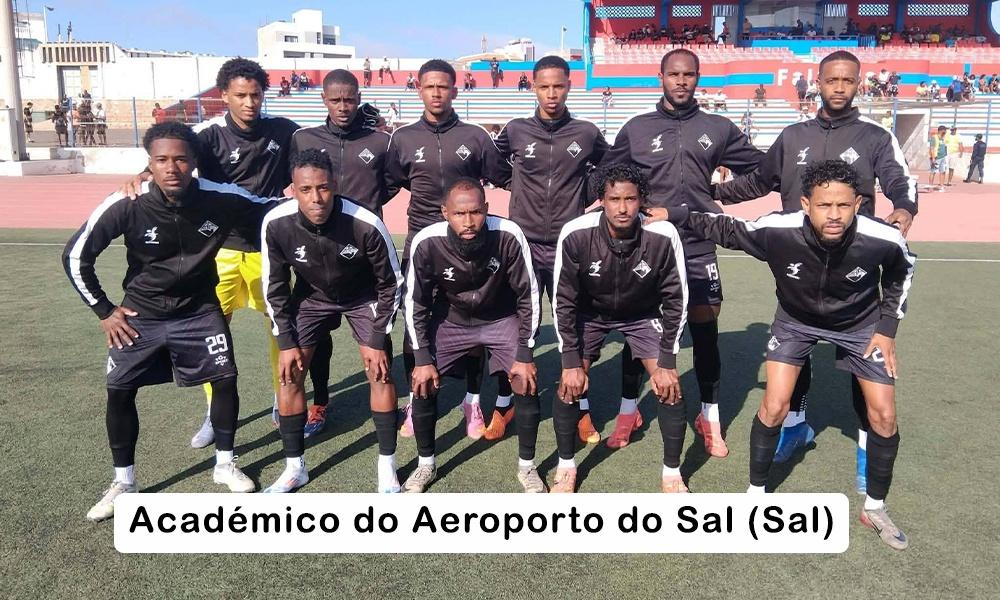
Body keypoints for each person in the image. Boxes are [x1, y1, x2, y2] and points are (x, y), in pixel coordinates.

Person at [664, 159, 915, 550]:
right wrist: (675, 214)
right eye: (824, 206)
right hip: (795, 322)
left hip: (861, 325)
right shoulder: (778, 230)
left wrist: (887, 329)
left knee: (884, 415)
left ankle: (875, 508)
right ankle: (756, 496)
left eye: (844, 206)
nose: (834, 215)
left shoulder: (882, 237)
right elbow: (725, 228)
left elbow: (904, 269)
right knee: (775, 405)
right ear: (805, 204)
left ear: (858, 204)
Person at [712, 51, 918, 486]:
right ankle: (796, 427)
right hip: (799, 260)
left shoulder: (875, 136)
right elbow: (759, 180)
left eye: (848, 80)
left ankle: (866, 450)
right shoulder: (793, 136)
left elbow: (899, 178)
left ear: (859, 83)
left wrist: (904, 207)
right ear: (817, 83)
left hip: (850, 263)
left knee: (860, 359)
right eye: (831, 80)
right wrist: (715, 193)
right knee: (796, 354)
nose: (839, 87)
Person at [62, 122, 280, 521]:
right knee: (120, 389)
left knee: (225, 378)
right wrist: (104, 310)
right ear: (150, 163)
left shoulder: (221, 197)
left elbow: (271, 207)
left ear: (195, 162)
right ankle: (124, 480)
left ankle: (225, 463)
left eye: (181, 159)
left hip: (199, 311)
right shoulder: (126, 202)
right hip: (139, 315)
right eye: (161, 160)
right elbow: (76, 256)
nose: (171, 168)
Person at [121, 58, 301, 448]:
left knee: (279, 331)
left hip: (269, 250)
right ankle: (212, 412)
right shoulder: (206, 135)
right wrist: (143, 173)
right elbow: (172, 155)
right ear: (224, 96)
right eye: (241, 95)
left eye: (256, 95)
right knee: (209, 335)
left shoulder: (284, 131)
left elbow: (312, 158)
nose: (250, 102)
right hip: (216, 251)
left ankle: (280, 401)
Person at [602, 48, 764, 454]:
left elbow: (763, 173)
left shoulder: (718, 127)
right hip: (647, 247)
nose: (681, 81)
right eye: (673, 74)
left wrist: (716, 196)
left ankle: (708, 416)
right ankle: (628, 411)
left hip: (697, 244)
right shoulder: (637, 129)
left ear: (698, 77)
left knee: (705, 332)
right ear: (661, 76)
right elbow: (606, 176)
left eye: (689, 74)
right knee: (639, 333)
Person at [261, 149, 403, 493]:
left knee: (379, 371)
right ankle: (295, 468)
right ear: (292, 190)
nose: (316, 198)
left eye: (323, 188)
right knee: (290, 374)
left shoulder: (365, 222)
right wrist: (285, 343)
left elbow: (392, 283)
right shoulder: (276, 223)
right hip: (311, 297)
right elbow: (274, 286)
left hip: (362, 297)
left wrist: (377, 337)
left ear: (335, 186)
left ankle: (387, 466)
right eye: (305, 190)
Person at [385, 59, 508, 439]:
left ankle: (472, 400)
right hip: (422, 240)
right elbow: (389, 183)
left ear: (455, 90)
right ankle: (415, 401)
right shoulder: (402, 138)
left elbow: (505, 177)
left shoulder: (475, 137)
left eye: (444, 87)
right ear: (418, 89)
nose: (437, 93)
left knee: (471, 317)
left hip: (471, 243)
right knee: (413, 323)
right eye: (429, 87)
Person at [493, 55, 609, 444]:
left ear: (569, 85)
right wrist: (520, 192)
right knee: (513, 323)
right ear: (534, 87)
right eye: (544, 86)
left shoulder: (587, 132)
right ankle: (505, 401)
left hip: (568, 245)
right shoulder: (515, 130)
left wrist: (582, 199)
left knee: (573, 324)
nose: (551, 93)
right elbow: (495, 167)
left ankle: (581, 408)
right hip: (522, 244)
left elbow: (608, 171)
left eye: (558, 85)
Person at [551, 163, 687, 493]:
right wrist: (570, 360)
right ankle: (566, 466)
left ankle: (672, 473)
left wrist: (667, 361)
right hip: (590, 314)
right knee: (569, 384)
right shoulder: (576, 233)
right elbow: (563, 300)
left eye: (631, 199)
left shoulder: (662, 234)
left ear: (642, 201)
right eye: (614, 199)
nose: (623, 208)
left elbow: (676, 298)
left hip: (641, 314)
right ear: (602, 199)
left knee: (668, 385)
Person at [403, 177, 542, 492]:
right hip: (451, 321)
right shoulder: (427, 241)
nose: (468, 222)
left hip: (499, 318)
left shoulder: (508, 234)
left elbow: (528, 296)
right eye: (459, 214)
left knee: (525, 380)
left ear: (487, 209)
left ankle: (527, 467)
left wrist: (525, 353)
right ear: (444, 212)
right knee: (422, 383)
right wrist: (422, 358)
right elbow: (415, 302)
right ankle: (426, 465)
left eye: (476, 213)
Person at [288, 69, 394, 436]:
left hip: (364, 254)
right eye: (335, 99)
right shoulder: (303, 138)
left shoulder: (380, 142)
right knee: (315, 336)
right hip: (314, 256)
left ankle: (386, 408)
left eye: (350, 99)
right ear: (323, 99)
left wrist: (363, 216)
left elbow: (391, 183)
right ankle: (319, 401)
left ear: (359, 96)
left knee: (378, 338)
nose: (343, 106)